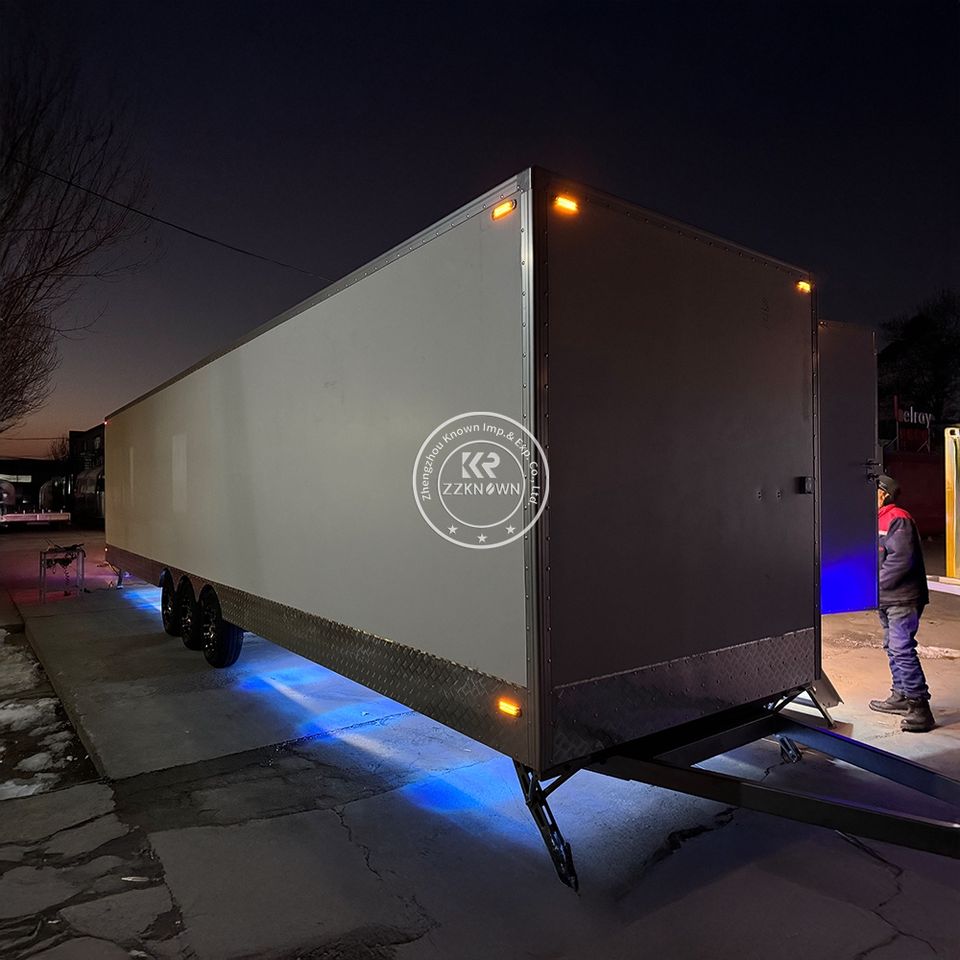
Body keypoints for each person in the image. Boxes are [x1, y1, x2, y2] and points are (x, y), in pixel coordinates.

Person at [869, 474, 935, 732]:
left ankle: (920, 708)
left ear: (883, 493)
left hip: (903, 597)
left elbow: (900, 561)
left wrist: (873, 588)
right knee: (892, 646)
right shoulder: (873, 519)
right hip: (886, 598)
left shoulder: (898, 518)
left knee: (901, 648)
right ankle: (900, 695)